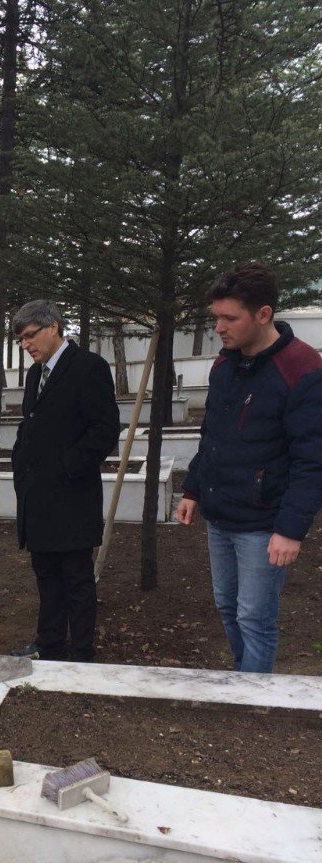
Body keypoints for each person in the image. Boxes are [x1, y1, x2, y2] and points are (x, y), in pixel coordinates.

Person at [178, 261, 322, 673]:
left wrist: (290, 530)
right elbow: (212, 435)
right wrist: (192, 489)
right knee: (227, 606)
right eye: (216, 317)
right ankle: (248, 682)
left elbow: (313, 460)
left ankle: (252, 698)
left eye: (229, 318)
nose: (219, 328)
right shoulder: (225, 364)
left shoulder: (303, 370)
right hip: (221, 513)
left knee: (254, 617)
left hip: (264, 522)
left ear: (263, 314)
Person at [10, 299, 120, 662]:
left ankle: (82, 652)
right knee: (46, 575)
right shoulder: (34, 375)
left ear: (53, 326)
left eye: (30, 336)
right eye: (21, 340)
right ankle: (49, 643)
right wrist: (21, 464)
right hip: (37, 497)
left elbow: (104, 431)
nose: (26, 345)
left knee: (76, 579)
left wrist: (66, 467)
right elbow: (32, 425)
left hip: (72, 497)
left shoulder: (88, 367)